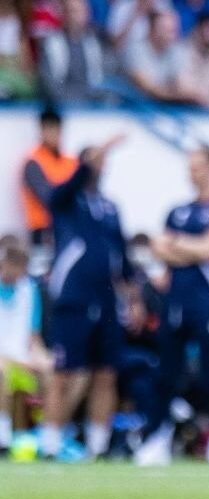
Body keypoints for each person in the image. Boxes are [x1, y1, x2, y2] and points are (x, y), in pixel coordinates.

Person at [135, 147, 209, 467]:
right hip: (175, 302)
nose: (193, 172)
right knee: (166, 374)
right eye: (190, 167)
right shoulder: (176, 212)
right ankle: (158, 436)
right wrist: (191, 248)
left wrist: (180, 246)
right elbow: (160, 248)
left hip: (206, 301)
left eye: (198, 166)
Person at [40, 134, 131, 461]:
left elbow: (123, 256)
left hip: (106, 300)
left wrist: (132, 295)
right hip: (74, 299)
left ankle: (98, 444)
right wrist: (100, 149)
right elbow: (66, 186)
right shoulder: (65, 202)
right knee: (64, 373)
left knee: (106, 374)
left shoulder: (109, 208)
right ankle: (50, 442)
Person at [0, 238, 51, 455]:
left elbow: (33, 337)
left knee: (53, 373)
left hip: (22, 357)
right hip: (5, 360)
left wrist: (43, 358)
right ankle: (3, 438)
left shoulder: (29, 290)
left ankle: (48, 438)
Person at [21, 108, 79, 247]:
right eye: (48, 129)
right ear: (41, 131)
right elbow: (47, 197)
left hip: (70, 228)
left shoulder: (71, 162)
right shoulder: (33, 162)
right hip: (43, 232)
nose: (52, 134)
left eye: (56, 129)